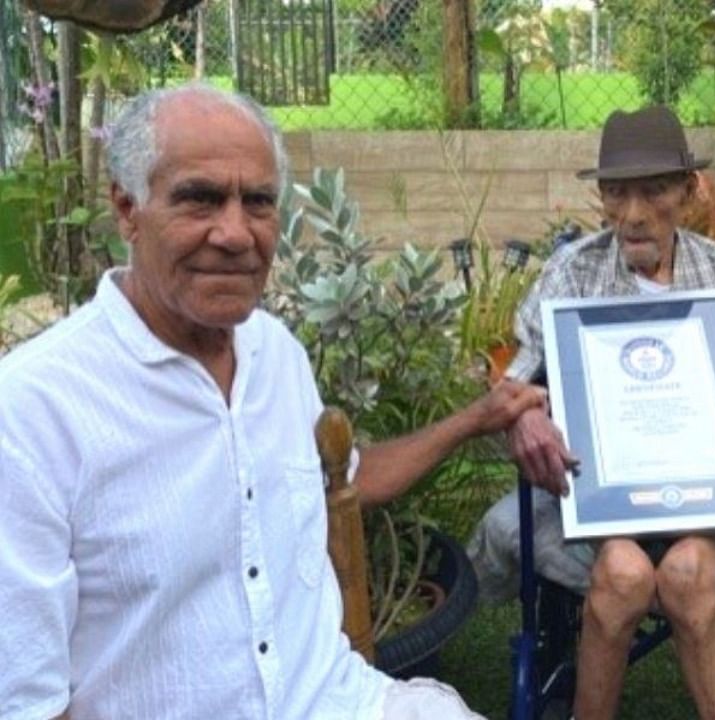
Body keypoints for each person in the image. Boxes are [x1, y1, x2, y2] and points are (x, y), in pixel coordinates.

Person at [0, 83, 546, 720]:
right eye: (199, 199)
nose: (234, 233)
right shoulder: (34, 411)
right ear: (128, 209)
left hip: (338, 701)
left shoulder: (274, 354)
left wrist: (477, 417)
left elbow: (334, 484)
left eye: (257, 202)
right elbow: (28, 702)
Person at [479, 105, 715, 719]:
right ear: (603, 199)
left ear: (689, 192)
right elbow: (517, 380)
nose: (634, 214)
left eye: (654, 191)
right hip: (609, 486)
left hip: (714, 485)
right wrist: (525, 416)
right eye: (617, 193)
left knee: (690, 574)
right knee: (621, 576)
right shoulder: (573, 273)